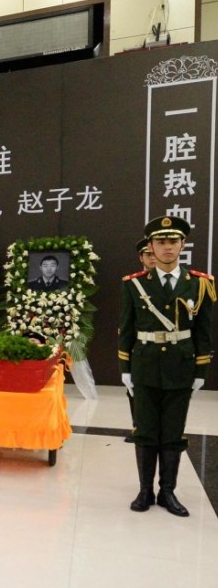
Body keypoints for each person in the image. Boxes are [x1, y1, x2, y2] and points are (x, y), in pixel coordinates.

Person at [120, 216, 215, 517]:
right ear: (150, 246)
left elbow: (203, 331)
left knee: (173, 432)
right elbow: (126, 328)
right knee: (146, 430)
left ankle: (168, 492)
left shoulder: (200, 283)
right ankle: (145, 490)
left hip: (180, 367)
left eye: (173, 241)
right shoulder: (134, 285)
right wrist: (125, 368)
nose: (167, 247)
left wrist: (200, 371)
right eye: (160, 242)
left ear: (182, 245)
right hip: (145, 366)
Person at [122, 238, 157, 443]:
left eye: (154, 253)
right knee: (136, 391)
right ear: (141, 258)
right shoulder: (133, 285)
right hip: (141, 348)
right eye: (148, 254)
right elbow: (126, 323)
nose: (152, 258)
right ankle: (139, 428)